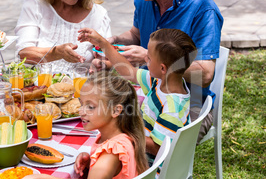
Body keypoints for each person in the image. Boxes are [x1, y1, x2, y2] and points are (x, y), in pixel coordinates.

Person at [100, 0, 223, 143]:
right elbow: (136, 33)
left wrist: (150, 59)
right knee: (101, 120)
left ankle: (153, 173)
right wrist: (114, 41)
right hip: (151, 93)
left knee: (124, 138)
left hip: (188, 104)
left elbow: (206, 73)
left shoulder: (202, 8)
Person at [11, 72, 148, 179]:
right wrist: (93, 161)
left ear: (116, 110)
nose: (81, 111)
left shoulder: (113, 149)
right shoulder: (120, 138)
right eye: (82, 104)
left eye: (91, 107)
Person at [78, 27, 197, 156]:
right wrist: (103, 44)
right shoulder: (163, 81)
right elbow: (129, 72)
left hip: (149, 169)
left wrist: (121, 133)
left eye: (149, 58)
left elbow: (157, 148)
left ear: (162, 68)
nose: (145, 60)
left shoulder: (172, 108)